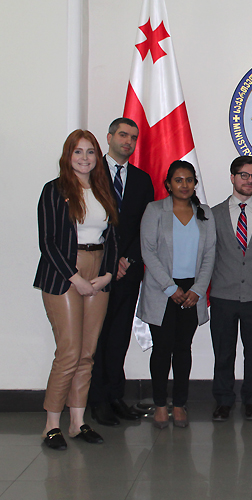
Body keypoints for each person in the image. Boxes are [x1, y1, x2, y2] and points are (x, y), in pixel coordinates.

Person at [35, 129, 118, 450]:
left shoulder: (102, 189)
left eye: (91, 152)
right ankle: (51, 425)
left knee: (87, 353)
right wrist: (75, 277)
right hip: (64, 274)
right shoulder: (55, 190)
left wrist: (107, 274)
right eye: (78, 152)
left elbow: (112, 237)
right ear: (67, 156)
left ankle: (77, 422)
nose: (85, 158)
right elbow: (48, 241)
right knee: (69, 352)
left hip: (98, 273)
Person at [137, 161, 216, 428]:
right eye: (178, 180)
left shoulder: (204, 213)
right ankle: (160, 405)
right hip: (163, 290)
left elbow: (209, 256)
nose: (184, 185)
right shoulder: (155, 210)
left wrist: (197, 289)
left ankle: (180, 404)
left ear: (195, 184)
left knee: (183, 349)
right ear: (168, 184)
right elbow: (148, 252)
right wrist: (171, 289)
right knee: (161, 350)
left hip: (192, 291)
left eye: (189, 180)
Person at [89, 118, 154, 427]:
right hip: (95, 269)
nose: (128, 141)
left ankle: (115, 395)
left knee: (118, 336)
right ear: (110, 137)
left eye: (133, 137)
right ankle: (96, 399)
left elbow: (146, 226)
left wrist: (127, 258)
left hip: (128, 270)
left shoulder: (142, 180)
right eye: (123, 135)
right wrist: (109, 259)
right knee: (96, 337)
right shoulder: (89, 174)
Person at [210, 156, 252, 422]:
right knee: (224, 352)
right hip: (223, 295)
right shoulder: (213, 214)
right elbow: (209, 255)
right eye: (244, 175)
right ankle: (224, 401)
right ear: (233, 177)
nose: (249, 181)